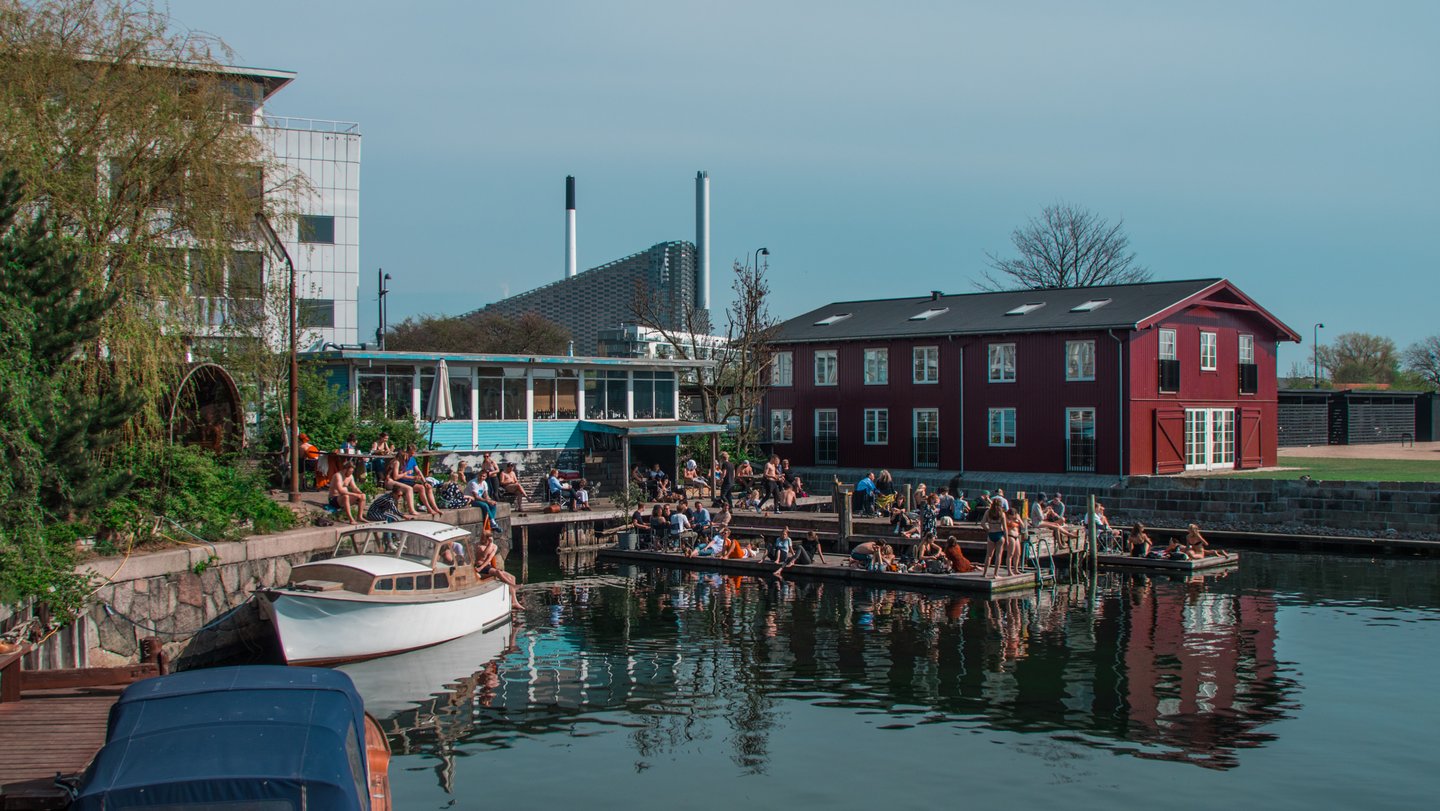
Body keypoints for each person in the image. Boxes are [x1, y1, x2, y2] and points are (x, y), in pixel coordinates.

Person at [473, 531, 523, 609]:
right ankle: (512, 585)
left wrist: (491, 544)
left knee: (513, 577)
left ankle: (514, 602)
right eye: (484, 537)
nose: (483, 538)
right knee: (498, 572)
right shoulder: (479, 546)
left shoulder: (494, 546)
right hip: (479, 566)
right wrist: (481, 567)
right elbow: (484, 555)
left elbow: (489, 558)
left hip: (488, 567)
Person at [398, 446, 443, 516]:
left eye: (413, 453)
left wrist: (424, 482)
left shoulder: (412, 459)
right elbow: (400, 474)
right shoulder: (402, 460)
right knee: (421, 488)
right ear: (407, 452)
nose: (412, 455)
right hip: (403, 481)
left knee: (429, 487)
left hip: (411, 481)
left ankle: (435, 507)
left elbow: (418, 471)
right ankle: (429, 508)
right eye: (411, 454)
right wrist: (413, 477)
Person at [981, 500, 1007, 577]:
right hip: (999, 534)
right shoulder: (1002, 514)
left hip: (991, 534)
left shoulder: (988, 512)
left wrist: (988, 529)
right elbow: (1005, 528)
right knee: (998, 555)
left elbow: (982, 523)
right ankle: (995, 574)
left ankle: (984, 573)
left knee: (988, 555)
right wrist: (1007, 539)